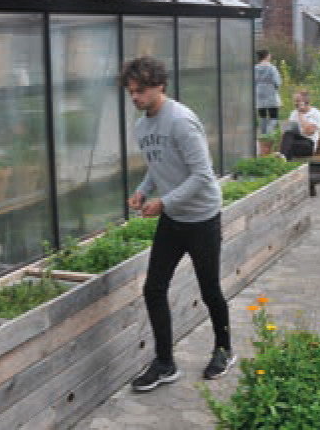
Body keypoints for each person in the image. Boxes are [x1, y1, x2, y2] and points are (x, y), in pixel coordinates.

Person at [120, 56, 234, 392]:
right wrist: (143, 191)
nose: (135, 99)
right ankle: (165, 362)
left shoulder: (182, 121)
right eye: (131, 93)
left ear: (159, 85)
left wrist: (164, 203)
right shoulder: (143, 127)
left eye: (140, 91)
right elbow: (157, 167)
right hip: (173, 218)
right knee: (153, 288)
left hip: (201, 218)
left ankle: (224, 350)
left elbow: (203, 176)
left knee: (210, 289)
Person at [279, 90, 320, 160]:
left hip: (308, 144)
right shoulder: (293, 113)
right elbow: (286, 133)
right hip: (294, 142)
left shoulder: (315, 113)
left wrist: (301, 114)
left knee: (288, 147)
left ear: (306, 102)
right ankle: (283, 159)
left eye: (298, 101)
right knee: (288, 134)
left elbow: (308, 132)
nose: (295, 103)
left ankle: (282, 159)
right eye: (295, 101)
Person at [254, 49, 282, 136]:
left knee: (262, 115)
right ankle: (269, 134)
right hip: (270, 93)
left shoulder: (255, 68)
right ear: (266, 56)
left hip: (259, 93)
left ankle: (263, 134)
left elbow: (253, 81)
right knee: (273, 115)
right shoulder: (271, 68)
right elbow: (277, 81)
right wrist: (276, 87)